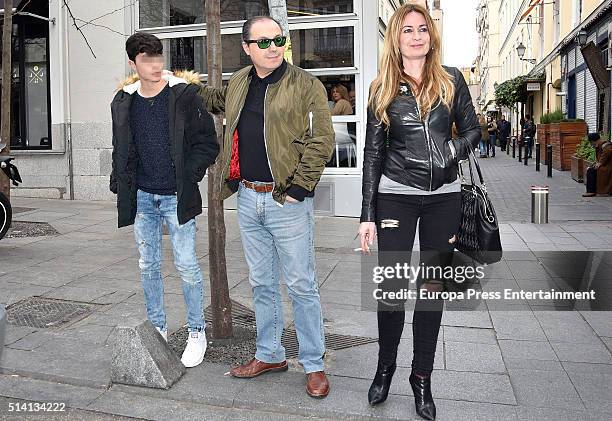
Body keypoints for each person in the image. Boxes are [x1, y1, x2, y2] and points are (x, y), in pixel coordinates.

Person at [199, 16, 334, 398]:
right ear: (246, 47)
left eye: (278, 39)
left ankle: (313, 363)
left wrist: (300, 189)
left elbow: (320, 140)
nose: (273, 47)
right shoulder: (240, 81)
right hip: (247, 196)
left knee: (301, 284)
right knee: (261, 283)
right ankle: (270, 353)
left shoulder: (306, 85)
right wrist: (182, 85)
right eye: (263, 42)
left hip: (285, 200)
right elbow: (219, 101)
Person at [358, 3, 480, 420]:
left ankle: (422, 377)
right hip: (395, 195)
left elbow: (475, 129)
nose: (415, 35)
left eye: (422, 29)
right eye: (407, 29)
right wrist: (366, 214)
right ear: (396, 36)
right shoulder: (382, 87)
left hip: (444, 198)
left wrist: (452, 149)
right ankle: (385, 366)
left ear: (431, 35)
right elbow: (372, 153)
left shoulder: (452, 80)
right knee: (391, 290)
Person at [110, 33, 219, 368]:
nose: (155, 65)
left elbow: (207, 143)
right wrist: (120, 181)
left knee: (186, 265)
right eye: (146, 59)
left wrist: (188, 174)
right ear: (133, 63)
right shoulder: (123, 101)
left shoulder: (185, 96)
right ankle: (157, 326)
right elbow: (122, 147)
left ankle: (196, 332)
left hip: (176, 196)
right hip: (142, 196)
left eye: (158, 57)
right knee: (148, 265)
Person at [583, 132, 612, 197]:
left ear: (593, 141)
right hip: (605, 165)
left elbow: (607, 152)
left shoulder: (605, 145)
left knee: (593, 170)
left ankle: (593, 191)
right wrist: (597, 163)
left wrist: (600, 162)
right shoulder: (600, 145)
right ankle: (591, 191)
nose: (591, 144)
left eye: (591, 142)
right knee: (591, 169)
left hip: (608, 167)